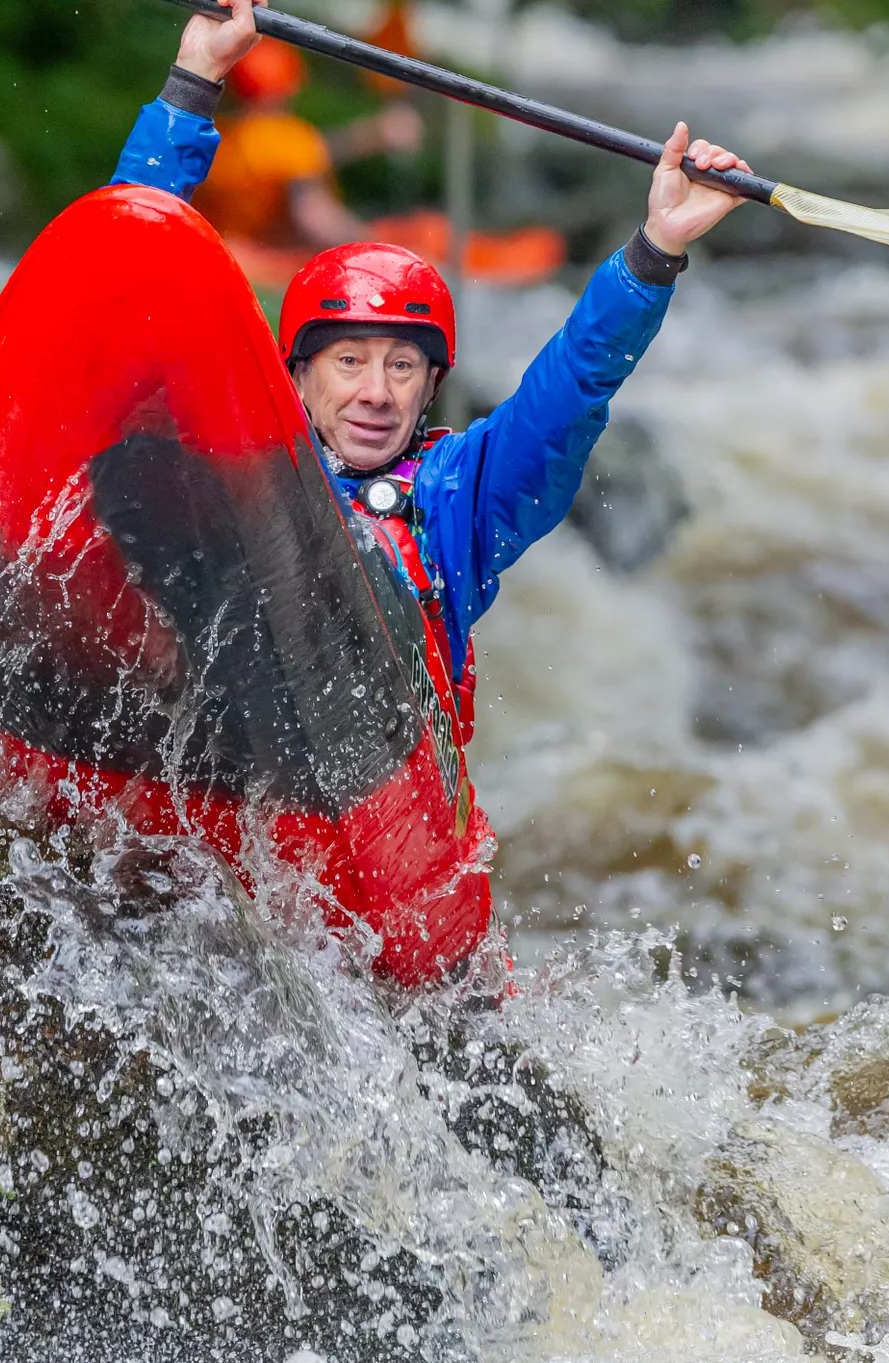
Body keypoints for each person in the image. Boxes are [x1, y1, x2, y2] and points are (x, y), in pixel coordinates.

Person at [110, 0, 751, 980]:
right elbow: (136, 280)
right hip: (236, 787)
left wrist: (654, 250)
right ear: (295, 375)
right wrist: (193, 80)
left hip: (399, 870)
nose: (375, 391)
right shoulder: (234, 468)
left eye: (402, 367)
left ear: (430, 387)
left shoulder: (459, 499)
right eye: (349, 361)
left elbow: (569, 388)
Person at [194, 35, 425, 250]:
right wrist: (374, 247)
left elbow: (316, 150)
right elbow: (313, 215)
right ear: (291, 85)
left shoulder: (217, 135)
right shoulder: (286, 139)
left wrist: (374, 134)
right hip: (272, 260)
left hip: (224, 249)